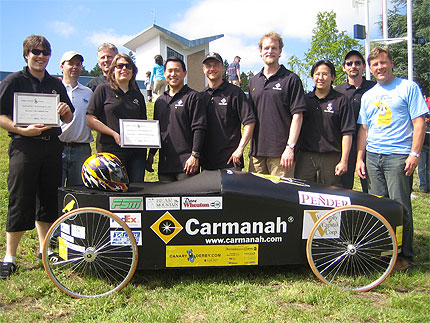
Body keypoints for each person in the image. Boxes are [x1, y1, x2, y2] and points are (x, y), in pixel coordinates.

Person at [0, 35, 74, 279]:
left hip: (51, 147)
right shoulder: (13, 81)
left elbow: (68, 117)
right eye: (35, 52)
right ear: (26, 55)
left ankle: (45, 250)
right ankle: (10, 256)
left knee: (48, 199)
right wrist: (21, 129)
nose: (40, 56)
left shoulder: (55, 83)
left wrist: (64, 112)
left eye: (44, 52)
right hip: (24, 147)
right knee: (20, 199)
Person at [356, 46, 427, 270]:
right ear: (371, 68)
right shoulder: (368, 96)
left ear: (392, 63)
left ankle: (404, 256)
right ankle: (383, 253)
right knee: (378, 206)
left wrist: (414, 153)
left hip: (398, 156)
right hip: (373, 156)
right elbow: (364, 130)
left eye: (383, 63)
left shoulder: (408, 88)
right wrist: (360, 158)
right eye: (375, 64)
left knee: (400, 206)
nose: (380, 67)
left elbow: (419, 123)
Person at [248, 32, 307, 177]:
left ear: (280, 51)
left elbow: (297, 116)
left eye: (274, 48)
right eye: (266, 48)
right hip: (257, 154)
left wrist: (290, 147)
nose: (270, 51)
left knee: (280, 198)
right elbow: (250, 119)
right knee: (255, 198)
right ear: (260, 51)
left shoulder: (291, 79)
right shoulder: (254, 81)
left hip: (281, 155)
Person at [86, 53, 147, 183]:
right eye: (119, 66)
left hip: (136, 153)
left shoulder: (138, 96)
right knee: (113, 193)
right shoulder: (103, 89)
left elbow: (144, 123)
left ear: (133, 71)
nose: (124, 69)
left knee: (136, 191)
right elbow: (90, 119)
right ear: (113, 70)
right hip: (111, 150)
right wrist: (113, 133)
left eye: (128, 66)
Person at [295, 60, 355, 186]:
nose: (320, 78)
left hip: (331, 157)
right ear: (312, 77)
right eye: (317, 74)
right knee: (302, 193)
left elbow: (347, 132)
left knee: (331, 196)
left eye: (325, 74)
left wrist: (344, 160)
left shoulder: (341, 100)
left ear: (332, 77)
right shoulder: (305, 100)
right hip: (306, 156)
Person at [146, 56, 206, 182]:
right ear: (164, 73)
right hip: (165, 166)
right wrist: (151, 155)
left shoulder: (193, 97)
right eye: (170, 71)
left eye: (177, 70)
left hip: (187, 165)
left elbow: (199, 128)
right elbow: (157, 131)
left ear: (184, 73)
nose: (173, 74)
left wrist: (195, 155)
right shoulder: (160, 101)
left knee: (188, 201)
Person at [200, 52, 255, 170]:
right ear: (203, 69)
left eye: (215, 65)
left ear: (223, 68)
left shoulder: (235, 93)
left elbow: (249, 122)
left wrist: (240, 149)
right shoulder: (201, 96)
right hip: (207, 164)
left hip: (231, 163)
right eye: (208, 66)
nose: (212, 69)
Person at [336, 50, 375, 192]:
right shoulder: (338, 91)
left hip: (369, 146)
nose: (353, 66)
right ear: (344, 67)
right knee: (342, 189)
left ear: (364, 66)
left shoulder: (374, 88)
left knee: (370, 190)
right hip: (344, 146)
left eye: (357, 63)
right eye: (349, 63)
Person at [59, 51, 94, 186]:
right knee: (55, 192)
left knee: (79, 193)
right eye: (71, 64)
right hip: (58, 147)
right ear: (62, 66)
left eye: (78, 64)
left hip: (82, 150)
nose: (75, 67)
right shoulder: (54, 89)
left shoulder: (88, 92)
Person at [86, 43, 118, 153]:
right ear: (98, 61)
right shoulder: (93, 85)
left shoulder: (128, 83)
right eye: (102, 57)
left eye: (109, 56)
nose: (106, 60)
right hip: (104, 141)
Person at [417, 109, 429, 192]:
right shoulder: (422, 125)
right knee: (421, 168)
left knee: (428, 168)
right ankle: (423, 186)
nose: (428, 119)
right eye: (426, 117)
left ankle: (428, 185)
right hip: (422, 148)